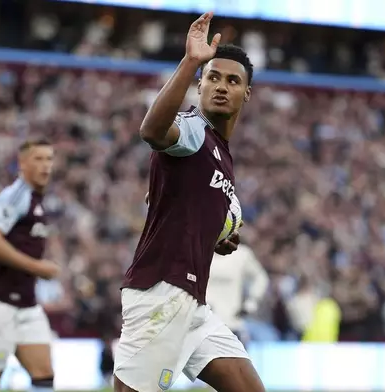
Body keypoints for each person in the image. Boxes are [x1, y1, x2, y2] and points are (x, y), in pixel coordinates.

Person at [114, 11, 265, 392]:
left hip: (193, 305)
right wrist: (190, 61)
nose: (221, 86)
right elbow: (152, 131)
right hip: (161, 295)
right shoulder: (194, 129)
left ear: (246, 92)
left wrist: (217, 236)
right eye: (212, 77)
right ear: (199, 85)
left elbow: (178, 203)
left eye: (232, 80)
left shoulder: (221, 152)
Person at [0, 138, 60, 392]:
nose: (45, 166)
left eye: (49, 159)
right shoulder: (15, 195)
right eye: (38, 159)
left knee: (44, 376)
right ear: (22, 163)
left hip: (27, 305)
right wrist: (37, 267)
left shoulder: (36, 199)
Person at [207, 243, 269, 345]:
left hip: (232, 324)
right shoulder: (197, 251)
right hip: (204, 326)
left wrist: (252, 302)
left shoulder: (241, 254)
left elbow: (260, 277)